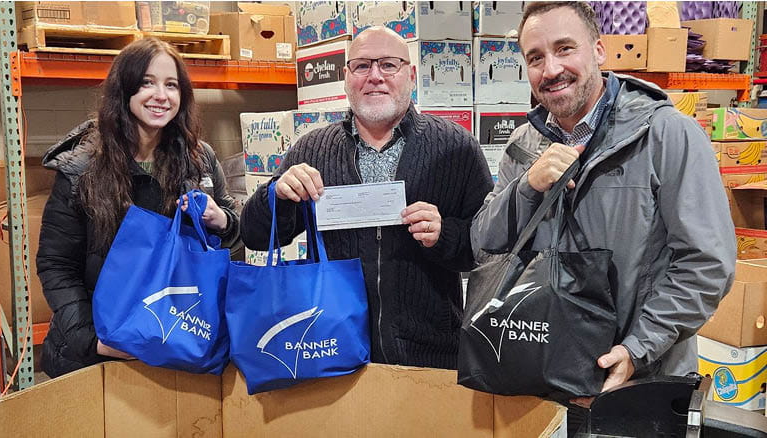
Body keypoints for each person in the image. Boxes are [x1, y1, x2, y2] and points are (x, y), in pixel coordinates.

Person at [471, 0, 735, 418]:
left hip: (638, 385)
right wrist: (528, 187)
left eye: (564, 48)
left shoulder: (666, 134)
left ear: (599, 50)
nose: (551, 69)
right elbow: (484, 241)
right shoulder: (524, 143)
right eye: (535, 57)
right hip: (539, 382)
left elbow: (706, 263)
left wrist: (637, 349)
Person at [239, 26, 494, 369]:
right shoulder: (311, 149)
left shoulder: (456, 147)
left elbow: (488, 249)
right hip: (329, 348)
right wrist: (277, 196)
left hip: (431, 356)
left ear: (412, 75)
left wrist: (444, 234)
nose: (375, 76)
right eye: (361, 66)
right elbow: (255, 236)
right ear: (346, 77)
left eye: (389, 65)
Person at [37, 38, 240, 377]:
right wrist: (92, 340)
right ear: (125, 89)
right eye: (147, 82)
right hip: (97, 356)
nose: (161, 95)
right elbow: (56, 266)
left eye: (171, 85)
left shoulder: (199, 159)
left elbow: (234, 243)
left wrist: (223, 221)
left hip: (177, 345)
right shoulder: (82, 168)